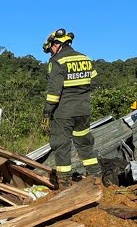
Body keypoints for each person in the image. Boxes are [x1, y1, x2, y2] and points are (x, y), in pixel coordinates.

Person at [41, 28, 102, 189]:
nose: (51, 53)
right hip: (84, 111)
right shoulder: (85, 58)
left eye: (51, 49)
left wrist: (47, 113)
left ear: (56, 44)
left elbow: (54, 93)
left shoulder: (57, 61)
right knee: (85, 144)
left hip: (64, 113)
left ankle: (64, 185)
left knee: (61, 146)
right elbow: (94, 81)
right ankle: (96, 178)